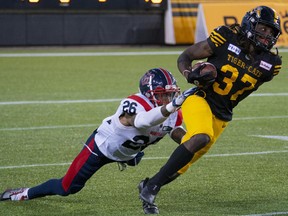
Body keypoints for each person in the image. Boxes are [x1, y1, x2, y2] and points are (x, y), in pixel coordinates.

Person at [138, 5, 282, 214]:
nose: (266, 35)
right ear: (250, 24)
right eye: (263, 28)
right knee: (201, 137)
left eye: (271, 32)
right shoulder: (225, 37)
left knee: (184, 163)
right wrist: (189, 74)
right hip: (200, 98)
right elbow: (185, 56)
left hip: (222, 115)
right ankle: (151, 189)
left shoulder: (271, 64)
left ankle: (148, 184)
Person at [0, 68, 197, 210]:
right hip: (101, 147)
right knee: (67, 188)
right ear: (149, 94)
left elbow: (174, 129)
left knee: (134, 153)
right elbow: (142, 122)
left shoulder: (172, 111)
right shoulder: (134, 103)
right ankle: (24, 193)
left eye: (172, 94)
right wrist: (172, 105)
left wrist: (191, 141)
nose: (169, 98)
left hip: (128, 150)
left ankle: (129, 157)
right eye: (164, 95)